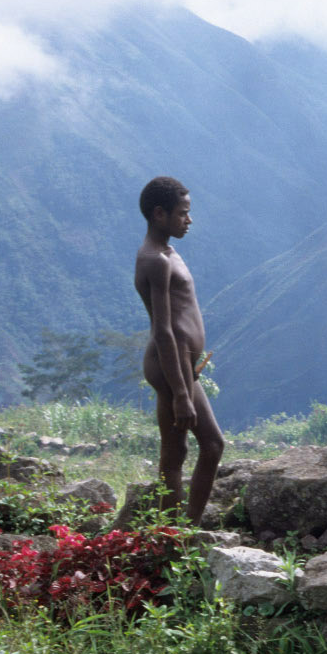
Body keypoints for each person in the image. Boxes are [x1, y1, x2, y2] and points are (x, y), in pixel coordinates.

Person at [134, 176, 224, 525]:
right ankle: (183, 532)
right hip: (170, 364)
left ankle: (171, 532)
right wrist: (182, 394)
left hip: (180, 364)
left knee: (175, 452)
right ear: (160, 214)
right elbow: (164, 329)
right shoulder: (154, 259)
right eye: (183, 213)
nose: (189, 220)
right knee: (212, 445)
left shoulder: (168, 252)